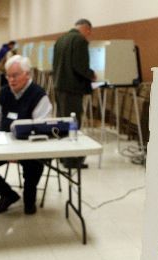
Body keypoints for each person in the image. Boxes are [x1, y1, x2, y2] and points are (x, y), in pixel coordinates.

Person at [0, 55, 52, 215]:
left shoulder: (39, 96)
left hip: (30, 147)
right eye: (8, 76)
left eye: (15, 75)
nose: (11, 80)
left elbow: (41, 129)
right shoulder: (5, 92)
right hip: (4, 144)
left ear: (27, 74)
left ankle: (30, 196)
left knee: (34, 164)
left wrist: (17, 151)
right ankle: (6, 194)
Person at [53, 18, 96, 169]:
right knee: (72, 124)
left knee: (62, 122)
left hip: (59, 87)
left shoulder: (61, 39)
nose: (88, 36)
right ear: (87, 29)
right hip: (72, 89)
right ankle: (72, 161)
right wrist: (91, 74)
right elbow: (80, 66)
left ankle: (63, 157)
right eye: (89, 33)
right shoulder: (80, 40)